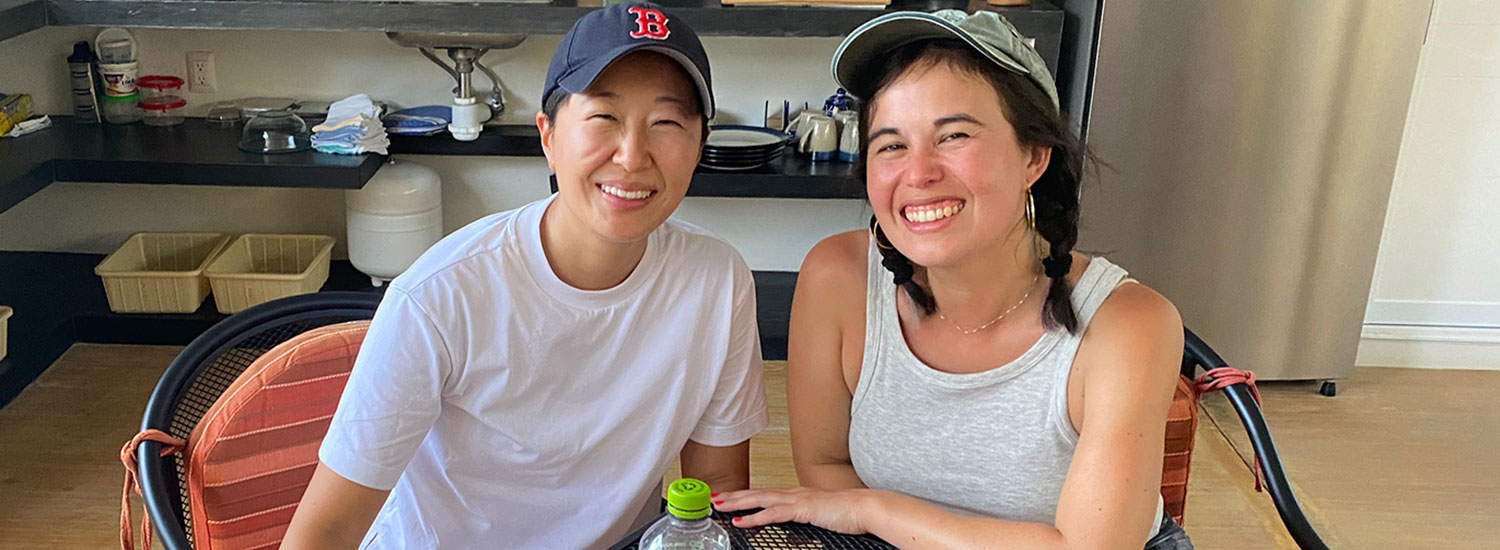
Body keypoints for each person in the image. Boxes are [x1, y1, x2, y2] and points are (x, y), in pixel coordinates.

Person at [282, 3, 769, 548]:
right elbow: (325, 531)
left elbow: (719, 493)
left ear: (700, 145)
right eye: (603, 118)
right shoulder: (440, 295)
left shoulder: (717, 281)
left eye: (666, 124)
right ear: (548, 136)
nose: (632, 157)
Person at [713, 9, 1193, 550]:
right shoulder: (838, 278)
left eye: (954, 135)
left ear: (1034, 155)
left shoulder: (1129, 324)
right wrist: (870, 514)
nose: (918, 173)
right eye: (891, 145)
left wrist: (873, 508)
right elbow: (827, 469)